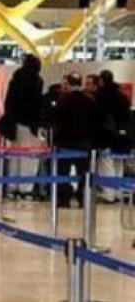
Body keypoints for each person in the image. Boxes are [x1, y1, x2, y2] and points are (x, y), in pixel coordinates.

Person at [0, 53, 44, 198]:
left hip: (14, 123)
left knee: (15, 155)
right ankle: (25, 188)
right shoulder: (36, 81)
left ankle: (12, 187)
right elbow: (37, 104)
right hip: (29, 124)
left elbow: (9, 102)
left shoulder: (15, 79)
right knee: (29, 157)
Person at [52, 73, 95, 208]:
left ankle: (64, 198)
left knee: (63, 172)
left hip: (65, 143)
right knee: (84, 172)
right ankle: (83, 198)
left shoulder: (63, 99)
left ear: (68, 84)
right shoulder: (90, 100)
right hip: (84, 143)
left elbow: (56, 121)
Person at [93, 70, 132, 203]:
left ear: (101, 81)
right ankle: (118, 192)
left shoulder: (100, 96)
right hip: (122, 137)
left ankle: (109, 193)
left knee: (106, 164)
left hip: (106, 136)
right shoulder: (123, 97)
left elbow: (98, 117)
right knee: (118, 163)